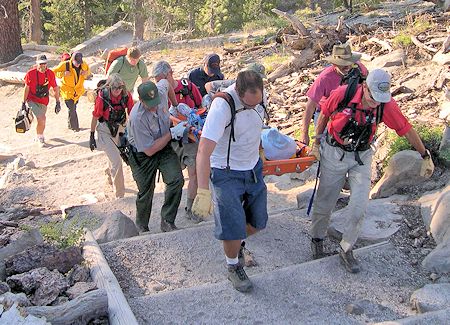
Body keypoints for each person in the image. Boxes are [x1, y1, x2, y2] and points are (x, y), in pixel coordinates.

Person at [308, 69, 435, 273]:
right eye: (373, 97)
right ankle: (317, 239)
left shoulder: (385, 105)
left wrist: (424, 155)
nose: (376, 102)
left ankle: (346, 248)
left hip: (362, 156)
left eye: (380, 98)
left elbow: (405, 128)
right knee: (325, 200)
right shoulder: (343, 94)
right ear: (364, 87)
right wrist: (316, 140)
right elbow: (324, 114)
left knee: (359, 206)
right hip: (334, 152)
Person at [193, 70, 268, 292]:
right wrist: (203, 191)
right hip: (226, 172)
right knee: (232, 228)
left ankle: (236, 244)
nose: (255, 107)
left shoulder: (260, 100)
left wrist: (261, 153)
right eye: (250, 104)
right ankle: (233, 265)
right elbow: (203, 151)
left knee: (258, 222)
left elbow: (256, 129)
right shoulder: (222, 106)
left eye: (258, 103)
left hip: (253, 168)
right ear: (238, 92)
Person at [127, 80, 186, 233]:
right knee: (146, 190)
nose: (154, 106)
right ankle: (142, 225)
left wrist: (175, 105)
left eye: (155, 102)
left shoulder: (160, 92)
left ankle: (167, 220)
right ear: (140, 100)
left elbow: (166, 82)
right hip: (143, 153)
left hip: (164, 146)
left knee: (176, 179)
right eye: (149, 103)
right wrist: (172, 133)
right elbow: (149, 150)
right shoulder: (137, 118)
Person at [300, 43, 368, 146]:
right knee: (325, 144)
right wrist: (304, 133)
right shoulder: (325, 78)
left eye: (349, 62)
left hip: (352, 109)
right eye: (342, 63)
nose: (347, 66)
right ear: (334, 64)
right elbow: (310, 105)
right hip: (325, 112)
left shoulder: (359, 70)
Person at [89, 73, 134, 198]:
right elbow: (96, 115)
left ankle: (109, 173)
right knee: (117, 161)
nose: (117, 90)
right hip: (105, 130)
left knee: (118, 158)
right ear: (109, 87)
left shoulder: (126, 96)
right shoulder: (102, 97)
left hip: (120, 128)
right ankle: (119, 195)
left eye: (119, 88)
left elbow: (132, 113)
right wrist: (92, 135)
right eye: (114, 88)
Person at [169, 70, 204, 223]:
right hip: (171, 139)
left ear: (170, 73)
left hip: (191, 139)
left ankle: (190, 209)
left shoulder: (188, 86)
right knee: (173, 177)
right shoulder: (158, 92)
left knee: (194, 174)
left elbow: (201, 107)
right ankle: (170, 213)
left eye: (163, 78)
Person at [22, 54, 61, 147]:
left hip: (44, 101)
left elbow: (56, 88)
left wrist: (58, 102)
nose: (43, 66)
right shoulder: (30, 74)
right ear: (37, 64)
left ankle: (38, 135)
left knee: (41, 120)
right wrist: (23, 102)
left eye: (44, 63)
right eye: (41, 64)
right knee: (42, 118)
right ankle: (40, 138)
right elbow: (26, 88)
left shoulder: (50, 73)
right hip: (31, 99)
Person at [53, 52, 90, 131]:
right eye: (76, 63)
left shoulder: (84, 65)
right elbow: (53, 72)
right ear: (72, 60)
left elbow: (89, 73)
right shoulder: (65, 65)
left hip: (77, 91)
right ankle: (75, 127)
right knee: (72, 107)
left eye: (79, 63)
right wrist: (63, 74)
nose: (78, 65)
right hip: (67, 91)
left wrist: (86, 73)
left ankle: (70, 125)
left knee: (73, 108)